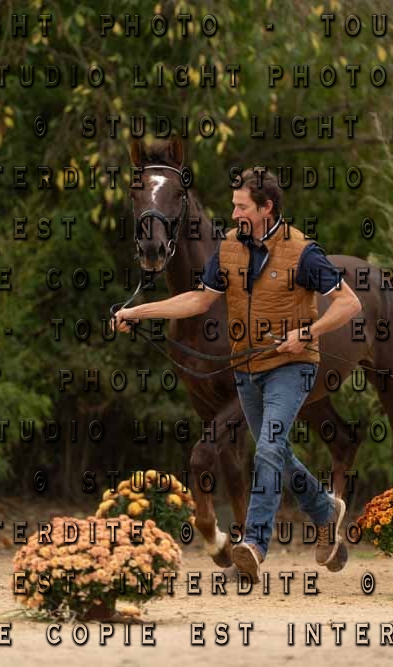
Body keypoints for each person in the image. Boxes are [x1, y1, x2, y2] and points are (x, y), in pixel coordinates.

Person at [113, 169, 362, 579]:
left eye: (242, 206)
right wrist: (137, 312)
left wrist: (308, 333)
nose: (234, 213)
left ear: (266, 208)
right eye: (233, 205)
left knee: (268, 447)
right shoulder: (229, 248)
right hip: (247, 369)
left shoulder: (302, 251)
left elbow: (349, 303)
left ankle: (254, 544)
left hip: (292, 366)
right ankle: (324, 509)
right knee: (278, 452)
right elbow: (198, 300)